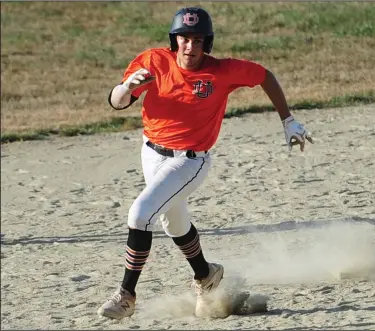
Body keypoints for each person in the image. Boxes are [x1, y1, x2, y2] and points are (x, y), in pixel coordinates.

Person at [98, 6, 313, 320]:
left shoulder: (222, 71)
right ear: (175, 40)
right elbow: (117, 103)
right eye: (184, 38)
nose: (190, 46)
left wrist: (288, 120)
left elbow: (265, 76)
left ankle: (126, 294)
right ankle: (206, 274)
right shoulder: (155, 62)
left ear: (207, 43)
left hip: (190, 161)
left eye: (197, 40)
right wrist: (126, 87)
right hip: (151, 153)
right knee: (174, 223)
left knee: (141, 214)